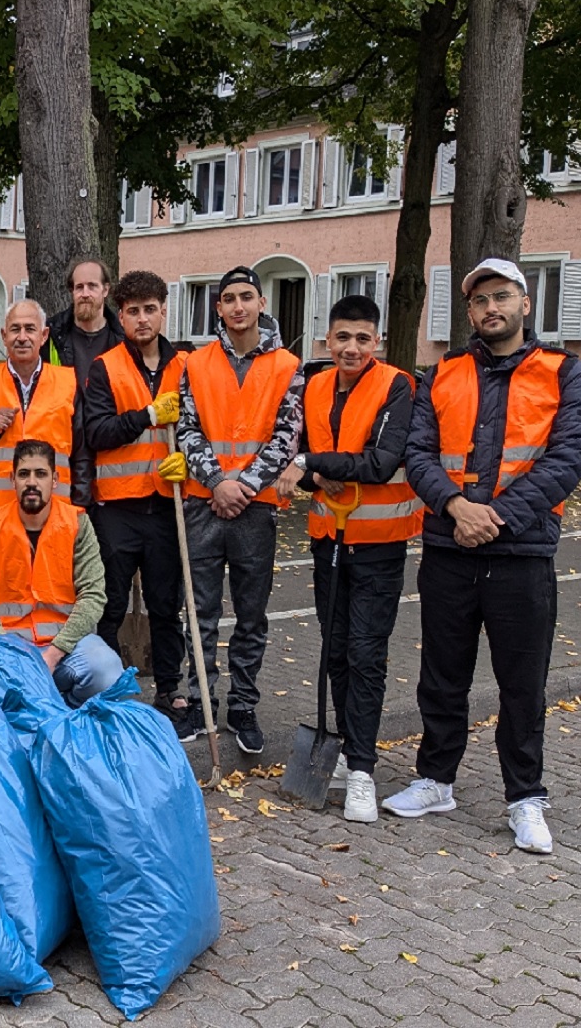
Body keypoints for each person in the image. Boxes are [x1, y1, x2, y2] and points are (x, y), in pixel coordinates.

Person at [383, 258, 581, 854]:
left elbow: (567, 459)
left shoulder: (563, 372)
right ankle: (436, 780)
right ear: (468, 311)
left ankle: (525, 798)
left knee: (522, 683)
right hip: (449, 548)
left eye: (501, 297)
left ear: (524, 302)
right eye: (479, 301)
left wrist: (491, 517)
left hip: (520, 552)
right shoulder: (441, 373)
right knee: (442, 676)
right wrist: (455, 508)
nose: (490, 308)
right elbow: (418, 454)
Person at [290, 294, 420, 822]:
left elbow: (381, 460)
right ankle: (346, 747)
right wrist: (312, 473)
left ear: (378, 342)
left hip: (381, 543)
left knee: (367, 653)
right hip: (328, 538)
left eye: (363, 339)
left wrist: (310, 462)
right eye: (343, 337)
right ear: (328, 339)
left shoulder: (397, 386)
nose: (352, 348)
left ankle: (363, 769)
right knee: (337, 650)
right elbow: (295, 463)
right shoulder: (314, 386)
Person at [174, 265, 303, 753]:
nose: (237, 306)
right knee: (199, 612)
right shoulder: (196, 363)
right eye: (228, 298)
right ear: (218, 308)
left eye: (246, 296)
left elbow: (286, 437)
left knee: (251, 615)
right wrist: (215, 482)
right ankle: (200, 700)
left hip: (255, 508)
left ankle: (243, 705)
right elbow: (188, 430)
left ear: (261, 303)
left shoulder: (288, 367)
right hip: (204, 504)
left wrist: (241, 486)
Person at [80, 270, 190, 736]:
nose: (142, 319)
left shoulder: (187, 365)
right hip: (118, 507)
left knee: (167, 604)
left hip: (168, 505)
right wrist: (146, 415)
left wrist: (186, 458)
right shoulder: (105, 367)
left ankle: (170, 688)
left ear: (164, 310)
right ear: (119, 316)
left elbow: (200, 427)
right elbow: (97, 432)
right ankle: (111, 688)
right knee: (110, 604)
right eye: (132, 311)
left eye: (150, 309)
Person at [0, 440, 122, 706]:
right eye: (24, 474)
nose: (32, 482)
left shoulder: (78, 523)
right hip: (8, 648)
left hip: (65, 650)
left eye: (41, 474)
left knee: (107, 673)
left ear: (55, 480)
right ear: (12, 479)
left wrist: (55, 653)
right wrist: (5, 648)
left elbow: (93, 596)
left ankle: (64, 709)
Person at [0, 299, 84, 512]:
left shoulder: (68, 382)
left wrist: (80, 505)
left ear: (44, 335)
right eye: (15, 329)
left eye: (30, 329)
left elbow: (81, 452)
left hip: (54, 512)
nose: (22, 337)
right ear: (4, 336)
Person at [45, 258, 124, 386]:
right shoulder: (50, 334)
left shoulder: (123, 338)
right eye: (79, 287)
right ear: (73, 291)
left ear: (105, 290)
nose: (85, 293)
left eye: (92, 286)